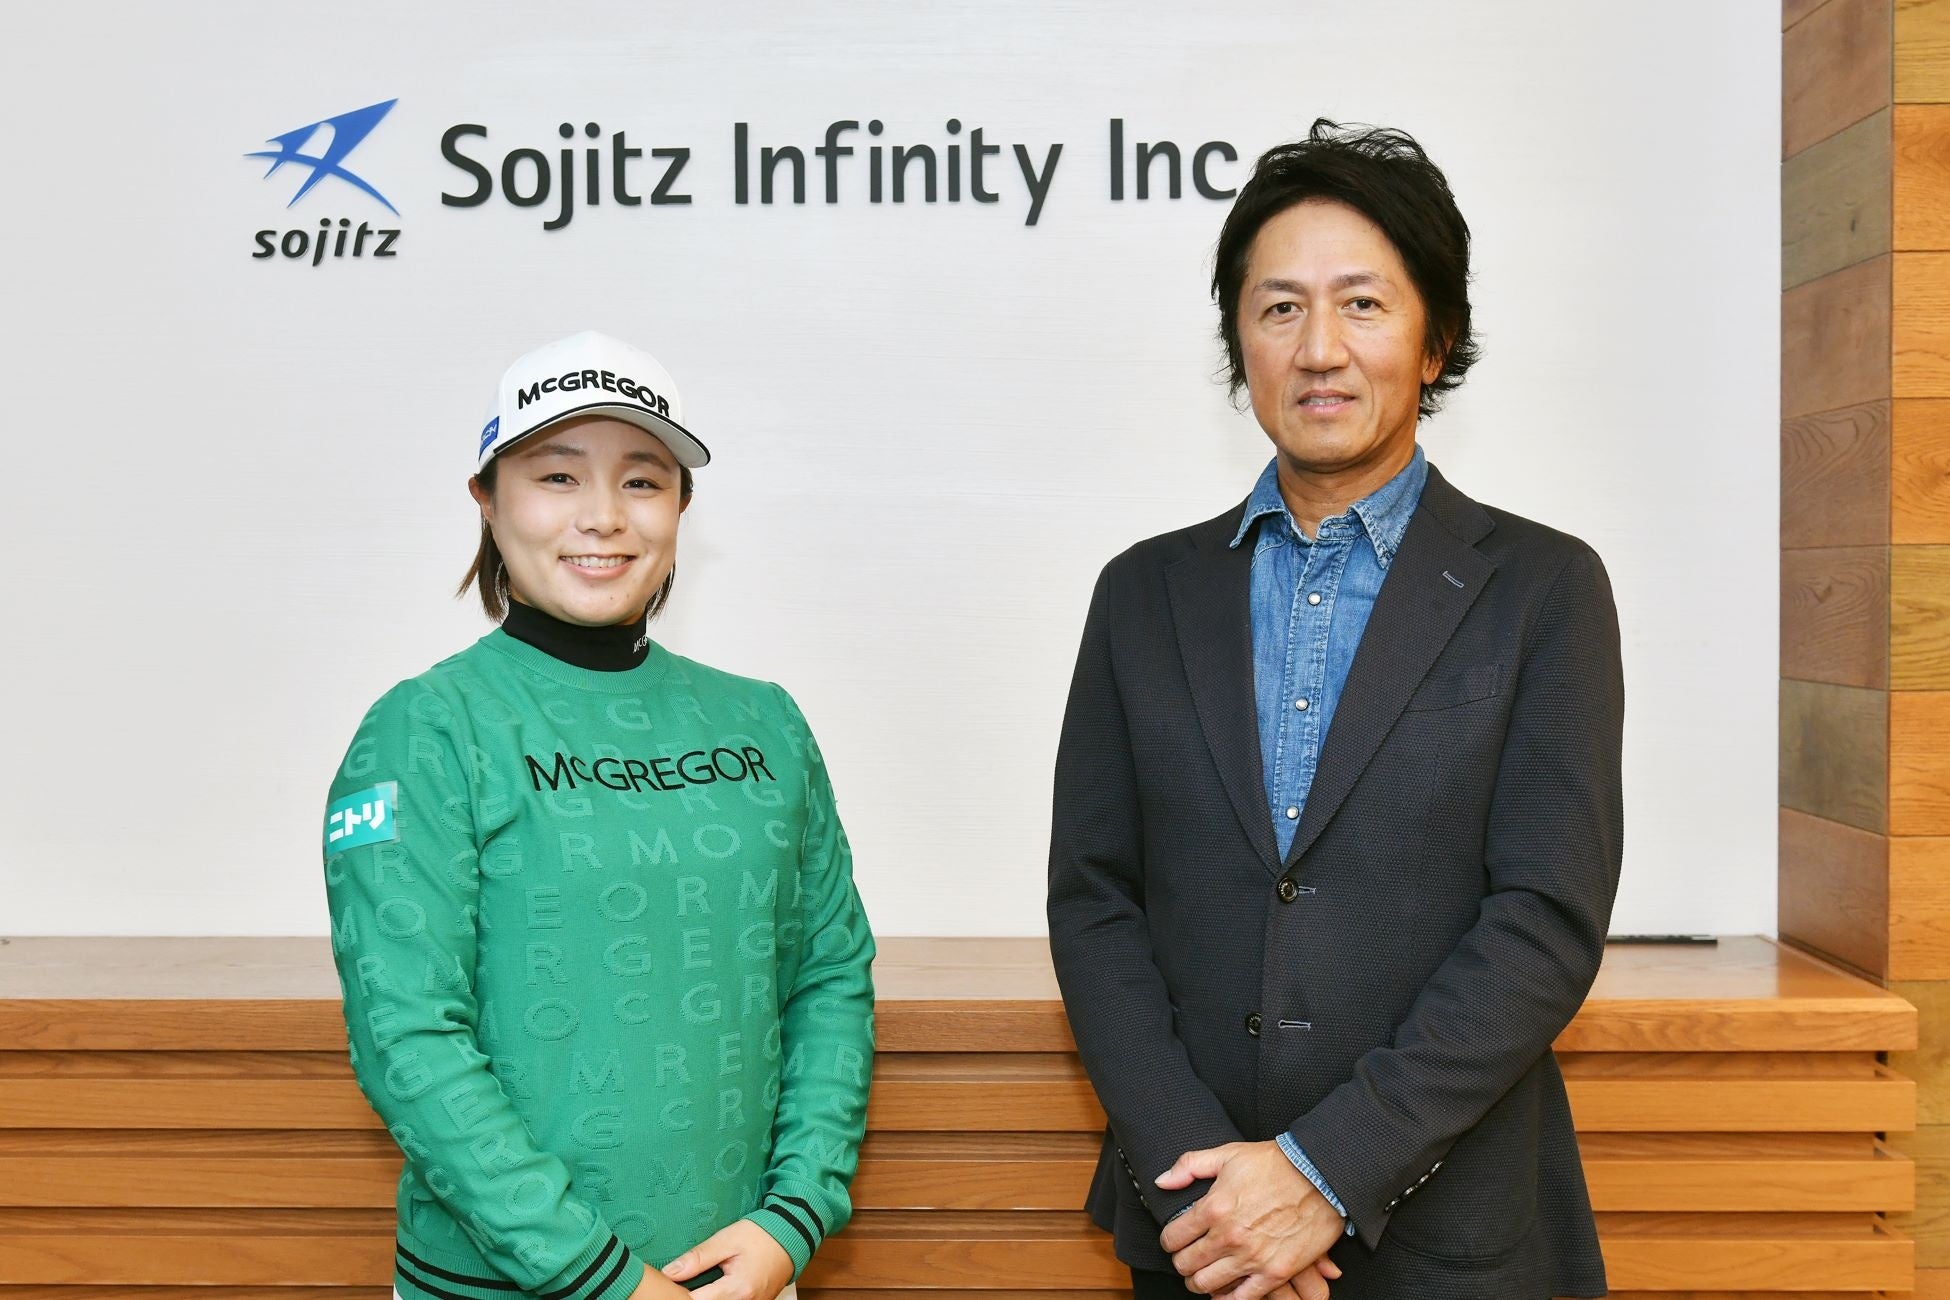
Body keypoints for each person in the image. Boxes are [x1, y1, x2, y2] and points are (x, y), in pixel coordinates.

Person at [1046, 121, 1624, 1300]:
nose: (1319, 349)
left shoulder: (1543, 588)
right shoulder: (1142, 593)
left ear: (1435, 338)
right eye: (1279, 309)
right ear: (1239, 343)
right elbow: (1095, 900)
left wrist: (1323, 1172)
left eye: (1363, 304)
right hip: (1201, 1236)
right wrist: (1209, 1191)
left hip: (1455, 1240)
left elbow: (1544, 921)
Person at [321, 330, 875, 1300]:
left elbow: (828, 978)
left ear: (681, 506)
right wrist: (603, 1279)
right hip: (504, 1286)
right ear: (488, 498)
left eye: (642, 480)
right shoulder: (423, 730)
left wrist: (795, 1215)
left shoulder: (766, 722)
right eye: (558, 476)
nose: (604, 516)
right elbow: (407, 1035)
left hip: (739, 1278)